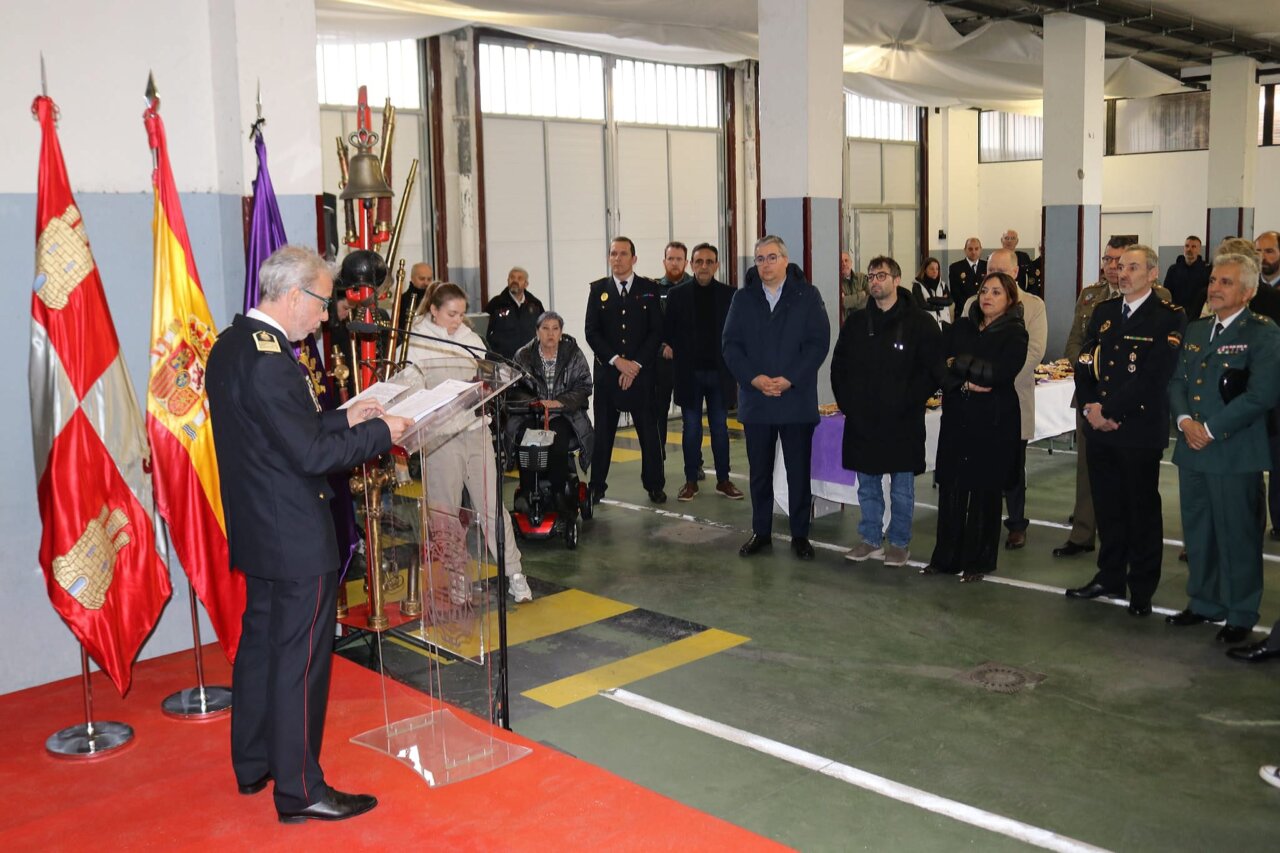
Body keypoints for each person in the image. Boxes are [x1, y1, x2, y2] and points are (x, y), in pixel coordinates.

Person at [206, 245, 411, 823]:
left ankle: (254, 763)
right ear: (294, 295)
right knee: (299, 661)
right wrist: (382, 431)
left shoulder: (233, 344)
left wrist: (347, 416)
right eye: (321, 303)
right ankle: (300, 791)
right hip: (294, 532)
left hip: (259, 525)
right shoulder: (273, 361)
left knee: (261, 647)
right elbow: (310, 455)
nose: (325, 317)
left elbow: (282, 431)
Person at [1065, 245, 1186, 616]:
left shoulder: (1168, 316)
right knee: (1108, 509)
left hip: (1137, 430)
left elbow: (1155, 376)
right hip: (1100, 428)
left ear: (1152, 273)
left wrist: (1109, 410)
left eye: (1133, 267)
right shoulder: (1104, 312)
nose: (1123, 273)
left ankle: (1142, 588)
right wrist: (1090, 407)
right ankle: (1110, 576)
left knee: (1141, 511)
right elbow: (1085, 362)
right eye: (1120, 266)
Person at [1167, 252, 1280, 643]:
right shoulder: (1198, 329)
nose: (1214, 288)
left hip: (1233, 451)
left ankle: (1241, 611)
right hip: (1192, 448)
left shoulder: (1262, 332)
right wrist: (1185, 422)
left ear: (1247, 292)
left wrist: (1210, 429)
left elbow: (1262, 395)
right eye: (1214, 280)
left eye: (1226, 282)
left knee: (1237, 536)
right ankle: (1204, 602)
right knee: (1198, 530)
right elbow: (1178, 382)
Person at [407, 282, 533, 603]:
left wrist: (491, 382)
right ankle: (456, 575)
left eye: (462, 314)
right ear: (433, 310)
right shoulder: (416, 342)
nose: (458, 320)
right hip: (440, 437)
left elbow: (485, 375)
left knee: (491, 506)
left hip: (475, 430)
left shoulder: (471, 339)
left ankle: (514, 572)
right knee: (445, 510)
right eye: (451, 314)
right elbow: (410, 388)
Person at [1055, 237, 1172, 559]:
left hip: (1131, 407)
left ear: (1149, 272)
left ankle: (1133, 557)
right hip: (1092, 400)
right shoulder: (1092, 298)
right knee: (1089, 472)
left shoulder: (1160, 301)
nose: (1115, 269)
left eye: (1123, 263)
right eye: (1109, 261)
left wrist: (1111, 406)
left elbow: (1152, 367)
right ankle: (1083, 533)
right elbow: (1076, 344)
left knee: (1134, 489)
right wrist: (1090, 383)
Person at [723, 235, 830, 560]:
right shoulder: (743, 298)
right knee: (759, 473)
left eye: (772, 257)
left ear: (785, 260)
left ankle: (800, 535)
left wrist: (790, 379)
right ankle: (761, 532)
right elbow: (730, 345)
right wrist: (753, 379)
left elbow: (818, 343)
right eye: (759, 259)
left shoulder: (807, 296)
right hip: (757, 402)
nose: (765, 264)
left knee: (798, 472)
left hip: (795, 400)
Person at [832, 256, 943, 567]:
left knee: (901, 487)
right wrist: (849, 405)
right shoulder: (856, 323)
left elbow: (932, 370)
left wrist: (909, 401)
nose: (875, 281)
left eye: (881, 275)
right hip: (863, 420)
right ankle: (870, 538)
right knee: (867, 485)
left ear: (897, 279)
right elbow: (839, 367)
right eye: (871, 276)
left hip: (902, 420)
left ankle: (899, 542)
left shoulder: (920, 323)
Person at [924, 272, 1028, 581]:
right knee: (952, 487)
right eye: (984, 291)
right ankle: (945, 558)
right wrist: (963, 381)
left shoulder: (1015, 333)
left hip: (994, 420)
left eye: (996, 292)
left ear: (1009, 299)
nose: (987, 297)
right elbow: (938, 364)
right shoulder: (962, 327)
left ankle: (978, 562)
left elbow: (998, 373)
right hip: (958, 415)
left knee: (985, 491)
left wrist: (959, 363)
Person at [963, 248, 1046, 549]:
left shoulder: (1033, 306)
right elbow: (964, 344)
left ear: (1015, 273)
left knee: (1012, 466)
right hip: (976, 399)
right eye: (989, 271)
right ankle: (978, 521)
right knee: (977, 464)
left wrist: (997, 377)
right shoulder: (973, 303)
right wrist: (973, 377)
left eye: (1001, 271)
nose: (994, 276)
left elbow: (1034, 352)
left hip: (1013, 396)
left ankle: (1016, 523)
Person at [584, 237, 666, 503]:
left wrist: (635, 365)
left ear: (634, 258)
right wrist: (617, 362)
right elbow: (591, 332)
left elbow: (656, 331)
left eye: (622, 254)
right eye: (613, 254)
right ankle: (597, 486)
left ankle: (654, 484)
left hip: (642, 375)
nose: (617, 259)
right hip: (608, 374)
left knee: (649, 433)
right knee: (603, 434)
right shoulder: (599, 290)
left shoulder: (649, 289)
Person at [664, 243, 743, 501]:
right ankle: (690, 481)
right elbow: (667, 331)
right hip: (689, 374)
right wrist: (667, 346)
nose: (704, 266)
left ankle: (723, 480)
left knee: (720, 428)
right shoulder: (677, 295)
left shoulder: (730, 295)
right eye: (699, 261)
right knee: (691, 429)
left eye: (709, 262)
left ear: (717, 265)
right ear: (691, 265)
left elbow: (737, 334)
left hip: (720, 374)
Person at [507, 311, 594, 506]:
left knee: (558, 439)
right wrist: (535, 403)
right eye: (545, 328)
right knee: (525, 438)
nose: (550, 333)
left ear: (561, 332)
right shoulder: (523, 355)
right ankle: (527, 492)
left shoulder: (573, 354)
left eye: (555, 329)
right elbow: (513, 389)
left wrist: (559, 402)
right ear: (537, 332)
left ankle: (558, 491)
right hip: (530, 413)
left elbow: (585, 385)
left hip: (565, 413)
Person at [655, 241, 694, 461]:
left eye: (679, 259)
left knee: (691, 416)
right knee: (658, 412)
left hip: (688, 362)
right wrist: (663, 347)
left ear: (686, 262)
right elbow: (650, 326)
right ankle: (657, 462)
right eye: (671, 259)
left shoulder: (695, 287)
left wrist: (680, 347)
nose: (675, 263)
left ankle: (694, 463)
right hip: (661, 362)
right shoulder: (653, 290)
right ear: (664, 261)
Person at [484, 266, 545, 360]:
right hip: (502, 361)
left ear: (526, 284)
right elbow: (484, 333)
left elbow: (543, 330)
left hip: (529, 361)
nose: (515, 281)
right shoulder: (496, 304)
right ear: (508, 280)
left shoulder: (535, 304)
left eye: (519, 278)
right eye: (512, 277)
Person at [1164, 236, 1210, 321]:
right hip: (1175, 314)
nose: (1189, 249)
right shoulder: (1173, 269)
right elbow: (1166, 293)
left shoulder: (1206, 270)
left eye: (1193, 247)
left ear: (1199, 249)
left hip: (1198, 316)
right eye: (1187, 246)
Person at [911, 256, 951, 328]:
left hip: (944, 322)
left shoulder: (943, 285)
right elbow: (922, 304)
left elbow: (949, 301)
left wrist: (930, 300)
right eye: (932, 269)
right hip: (926, 323)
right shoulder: (917, 285)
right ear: (925, 270)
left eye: (937, 269)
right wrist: (942, 301)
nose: (935, 271)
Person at [947, 238, 985, 310]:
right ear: (965, 250)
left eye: (976, 249)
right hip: (964, 309)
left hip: (983, 309)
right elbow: (955, 294)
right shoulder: (955, 268)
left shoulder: (987, 266)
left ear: (981, 250)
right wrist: (970, 307)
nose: (973, 252)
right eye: (970, 249)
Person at [396, 261, 433, 332]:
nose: (426, 283)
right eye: (422, 279)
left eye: (429, 279)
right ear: (412, 278)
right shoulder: (401, 300)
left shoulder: (435, 299)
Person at [840, 251, 868, 319]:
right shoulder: (837, 283)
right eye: (841, 261)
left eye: (846, 260)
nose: (844, 264)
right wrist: (863, 294)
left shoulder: (862, 277)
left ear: (851, 262)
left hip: (864, 320)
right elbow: (843, 303)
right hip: (847, 322)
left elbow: (871, 299)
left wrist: (849, 301)